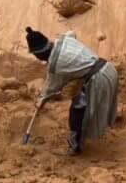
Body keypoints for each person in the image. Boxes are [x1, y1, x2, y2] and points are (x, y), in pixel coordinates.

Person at [25, 26, 118, 156]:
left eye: (36, 56)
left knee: (77, 110)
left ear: (38, 54)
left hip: (99, 79)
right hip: (109, 69)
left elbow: (50, 89)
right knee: (81, 102)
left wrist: (40, 101)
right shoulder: (64, 40)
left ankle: (74, 148)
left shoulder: (55, 65)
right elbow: (71, 33)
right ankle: (82, 138)